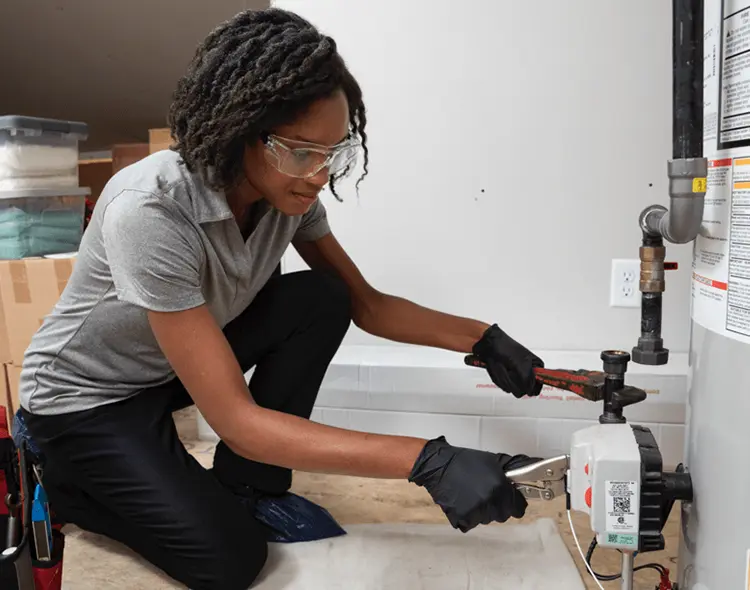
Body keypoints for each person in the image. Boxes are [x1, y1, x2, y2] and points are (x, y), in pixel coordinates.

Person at [17, 8, 545, 590]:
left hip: (164, 370)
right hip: (85, 401)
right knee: (229, 559)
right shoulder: (151, 209)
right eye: (302, 152)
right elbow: (238, 422)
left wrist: (484, 339)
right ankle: (67, 480)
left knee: (323, 296)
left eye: (334, 152)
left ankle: (250, 487)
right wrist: (427, 460)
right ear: (241, 130)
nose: (320, 174)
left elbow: (365, 304)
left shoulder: (286, 192)